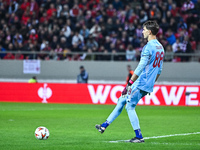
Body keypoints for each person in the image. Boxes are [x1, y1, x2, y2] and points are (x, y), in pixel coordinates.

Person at [95, 21, 164, 143]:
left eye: (144, 29)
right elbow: (159, 70)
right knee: (122, 100)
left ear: (150, 31)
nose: (142, 31)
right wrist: (152, 83)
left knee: (130, 107)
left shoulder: (148, 47)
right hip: (148, 83)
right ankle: (104, 125)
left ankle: (139, 136)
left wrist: (129, 84)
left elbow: (140, 67)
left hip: (141, 81)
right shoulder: (160, 47)